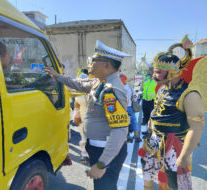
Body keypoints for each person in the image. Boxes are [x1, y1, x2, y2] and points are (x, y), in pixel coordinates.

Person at [45, 40, 131, 190]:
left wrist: (102, 163)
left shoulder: (112, 90)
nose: (89, 63)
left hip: (105, 151)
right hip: (96, 147)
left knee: (105, 187)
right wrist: (57, 76)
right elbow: (77, 83)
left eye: (94, 60)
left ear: (107, 65)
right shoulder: (99, 82)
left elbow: (120, 131)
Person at [138, 43, 205, 190]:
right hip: (153, 142)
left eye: (158, 72)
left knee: (173, 185)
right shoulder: (162, 89)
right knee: (148, 179)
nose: (154, 75)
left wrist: (185, 155)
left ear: (173, 72)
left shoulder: (190, 94)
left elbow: (197, 127)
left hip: (174, 147)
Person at [119, 72, 142, 143]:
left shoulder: (117, 88)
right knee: (133, 121)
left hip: (121, 108)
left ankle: (127, 136)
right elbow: (135, 97)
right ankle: (137, 136)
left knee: (124, 122)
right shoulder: (129, 87)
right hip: (129, 107)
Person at [73, 70, 90, 164]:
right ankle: (84, 153)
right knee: (83, 136)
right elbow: (76, 105)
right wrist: (76, 117)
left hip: (93, 119)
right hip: (82, 118)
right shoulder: (78, 93)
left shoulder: (93, 90)